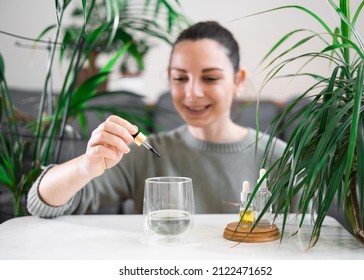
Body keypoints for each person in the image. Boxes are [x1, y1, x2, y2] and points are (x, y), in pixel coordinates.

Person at [27, 21, 286, 217]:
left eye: (210, 78)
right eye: (180, 78)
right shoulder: (144, 153)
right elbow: (40, 202)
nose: (192, 92)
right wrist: (86, 165)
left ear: (238, 80)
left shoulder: (279, 157)